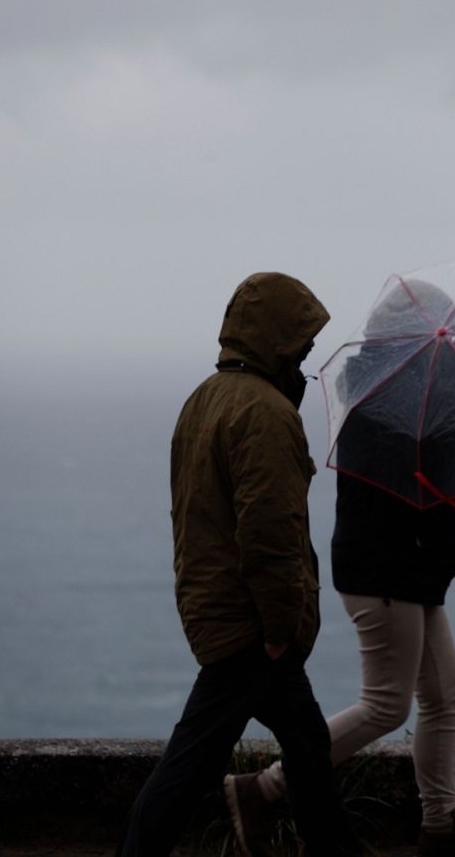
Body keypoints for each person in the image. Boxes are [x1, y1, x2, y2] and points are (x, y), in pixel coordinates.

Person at [224, 280, 455, 857]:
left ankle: (440, 825)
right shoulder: (392, 391)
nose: (452, 333)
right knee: (387, 704)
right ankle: (264, 789)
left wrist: (451, 382)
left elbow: (436, 476)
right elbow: (417, 484)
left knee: (443, 690)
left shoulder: (408, 385)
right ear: (420, 331)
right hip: (385, 567)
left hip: (407, 566)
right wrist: (452, 381)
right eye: (445, 325)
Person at [117, 273, 364, 857]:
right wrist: (280, 629)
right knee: (191, 761)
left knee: (305, 742)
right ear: (275, 340)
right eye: (300, 346)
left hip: (216, 603)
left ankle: (337, 850)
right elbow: (269, 533)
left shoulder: (205, 398)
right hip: (251, 625)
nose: (307, 358)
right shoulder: (266, 413)